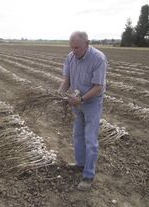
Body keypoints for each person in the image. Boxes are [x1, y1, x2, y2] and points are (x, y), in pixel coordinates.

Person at [58, 31, 107, 191]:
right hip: (76, 100)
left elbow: (98, 87)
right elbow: (67, 80)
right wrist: (59, 94)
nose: (74, 51)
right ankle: (80, 164)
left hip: (91, 102)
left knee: (90, 139)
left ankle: (88, 175)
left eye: (77, 48)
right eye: (71, 47)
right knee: (77, 135)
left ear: (87, 43)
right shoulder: (70, 57)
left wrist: (82, 99)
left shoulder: (98, 58)